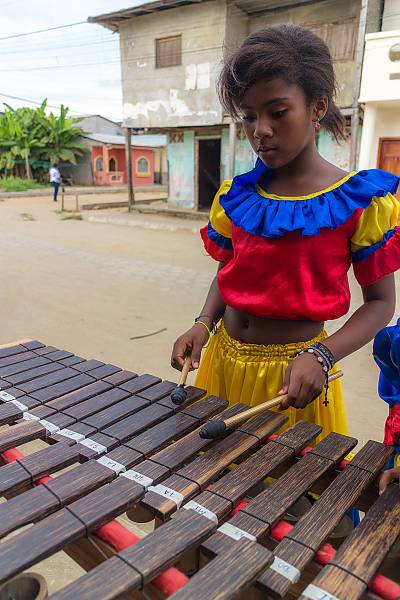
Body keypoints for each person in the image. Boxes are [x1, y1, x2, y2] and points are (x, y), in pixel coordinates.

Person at [171, 25, 400, 442]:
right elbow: (230, 269)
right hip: (220, 363)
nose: (260, 129)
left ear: (317, 108)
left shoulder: (360, 201)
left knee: (285, 498)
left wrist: (323, 355)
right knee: (210, 482)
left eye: (277, 112)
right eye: (249, 116)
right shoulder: (238, 195)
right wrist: (203, 324)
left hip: (294, 380)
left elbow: (382, 304)